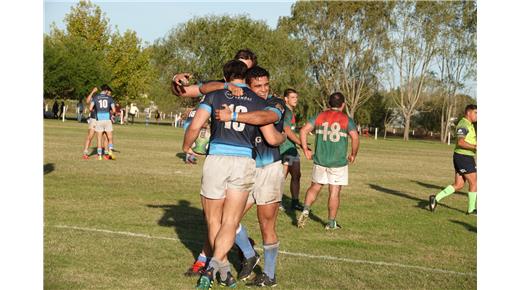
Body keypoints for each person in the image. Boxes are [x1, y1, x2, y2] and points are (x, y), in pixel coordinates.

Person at [183, 60, 285, 290]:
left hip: (221, 158)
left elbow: (195, 125)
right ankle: (223, 269)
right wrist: (285, 138)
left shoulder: (216, 95)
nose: (264, 89)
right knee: (230, 221)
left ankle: (219, 266)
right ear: (247, 78)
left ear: (224, 75)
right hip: (245, 162)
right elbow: (271, 134)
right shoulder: (258, 102)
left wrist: (186, 146)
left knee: (214, 220)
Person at [213, 66, 286, 287]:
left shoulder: (275, 103)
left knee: (266, 224)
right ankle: (249, 253)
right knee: (229, 219)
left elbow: (270, 125)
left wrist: (234, 115)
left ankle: (270, 276)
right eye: (258, 86)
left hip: (269, 169)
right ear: (247, 86)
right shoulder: (243, 98)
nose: (264, 90)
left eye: (266, 85)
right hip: (245, 167)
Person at [296, 92, 360, 230]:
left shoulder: (320, 116)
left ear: (329, 104)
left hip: (320, 160)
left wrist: (306, 149)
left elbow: (303, 131)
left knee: (315, 187)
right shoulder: (346, 119)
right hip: (338, 163)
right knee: (334, 192)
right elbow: (355, 137)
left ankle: (306, 209)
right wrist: (353, 154)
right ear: (343, 105)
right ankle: (331, 223)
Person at [429, 104, 477, 214]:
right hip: (463, 157)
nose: (477, 115)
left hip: (464, 157)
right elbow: (460, 142)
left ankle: (435, 198)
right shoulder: (463, 124)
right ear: (469, 113)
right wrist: (475, 147)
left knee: (459, 185)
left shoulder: (469, 124)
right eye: (476, 113)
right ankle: (471, 210)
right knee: (474, 182)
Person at [279, 89, 305, 211]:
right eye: (293, 97)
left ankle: (295, 202)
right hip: (285, 148)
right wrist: (301, 143)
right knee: (282, 176)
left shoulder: (291, 112)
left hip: (291, 148)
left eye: (296, 97)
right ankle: (277, 201)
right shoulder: (286, 112)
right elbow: (287, 130)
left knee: (296, 175)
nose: (296, 99)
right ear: (286, 99)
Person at [89, 84, 116, 160]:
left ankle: (100, 155)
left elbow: (90, 108)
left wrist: (96, 111)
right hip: (107, 120)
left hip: (99, 120)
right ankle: (110, 151)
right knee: (109, 137)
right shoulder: (110, 98)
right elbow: (114, 110)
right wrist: (110, 112)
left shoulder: (95, 97)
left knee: (99, 138)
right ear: (106, 90)